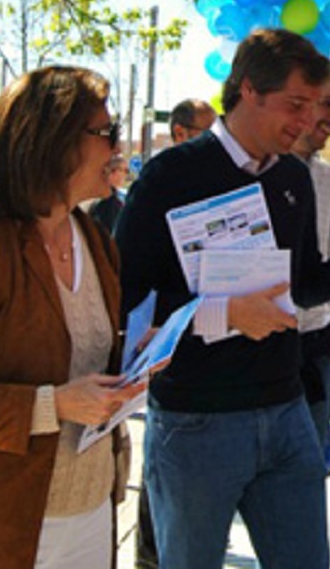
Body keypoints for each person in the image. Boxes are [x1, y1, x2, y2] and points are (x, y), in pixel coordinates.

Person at [116, 29, 330, 569]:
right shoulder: (169, 177)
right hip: (196, 420)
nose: (304, 121)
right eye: (294, 104)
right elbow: (127, 300)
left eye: (314, 107)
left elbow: (296, 288)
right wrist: (221, 314)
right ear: (248, 90)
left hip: (286, 411)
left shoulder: (293, 179)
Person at [0, 66, 143, 569]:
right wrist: (53, 404)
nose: (117, 150)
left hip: (90, 514)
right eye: (107, 134)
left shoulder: (94, 240)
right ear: (52, 144)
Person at [134, 97, 219, 569]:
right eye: (204, 131)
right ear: (181, 132)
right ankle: (150, 554)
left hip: (204, 350)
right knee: (160, 470)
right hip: (164, 351)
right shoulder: (160, 181)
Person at [292, 63, 330, 449]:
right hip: (263, 349)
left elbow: (325, 264)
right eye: (327, 103)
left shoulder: (328, 177)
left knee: (309, 468)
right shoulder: (260, 171)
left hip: (316, 344)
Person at [87, 154, 128, 234]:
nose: (126, 175)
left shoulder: (99, 195)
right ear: (112, 172)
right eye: (125, 170)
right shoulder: (109, 201)